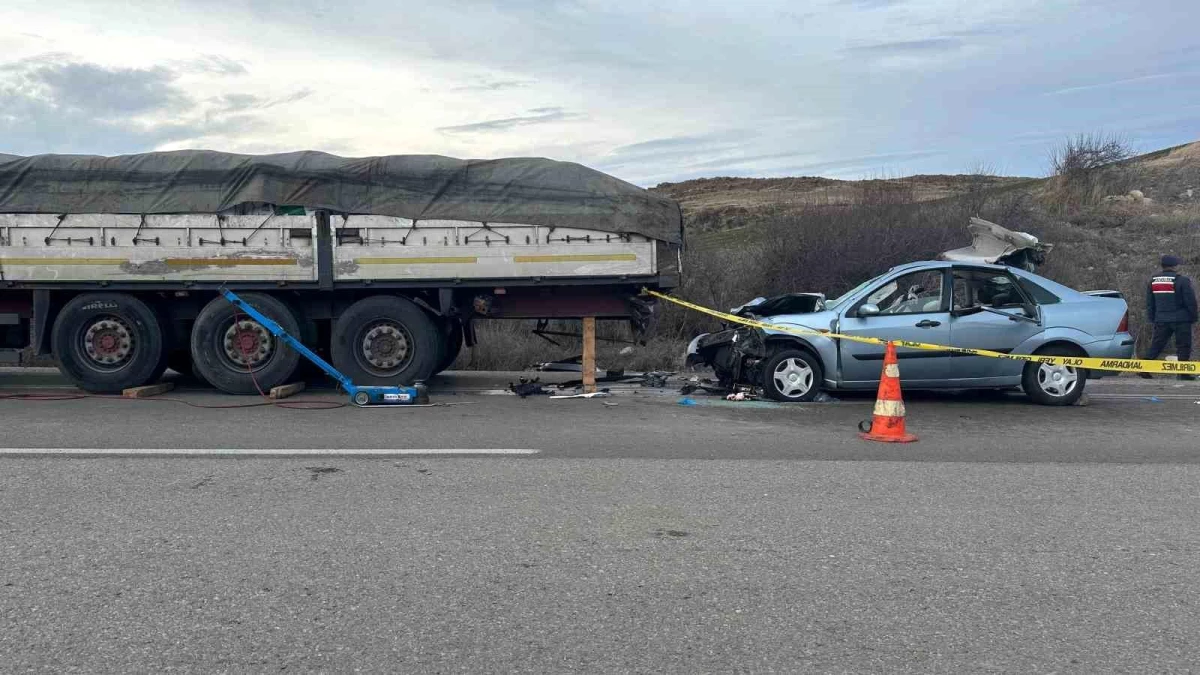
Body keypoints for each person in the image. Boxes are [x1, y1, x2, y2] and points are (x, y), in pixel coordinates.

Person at [1140, 254, 1198, 380]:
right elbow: (1190, 301)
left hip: (1161, 319)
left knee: (1157, 344)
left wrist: (1153, 318)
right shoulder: (1182, 280)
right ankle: (1183, 374)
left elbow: (1150, 303)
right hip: (1181, 319)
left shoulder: (1153, 281)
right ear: (1174, 266)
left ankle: (1144, 368)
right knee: (1183, 346)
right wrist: (1194, 317)